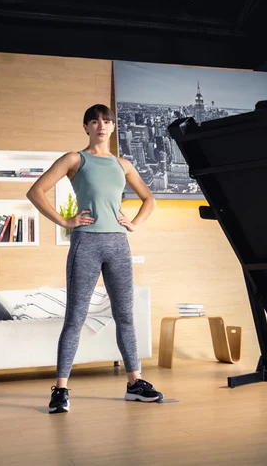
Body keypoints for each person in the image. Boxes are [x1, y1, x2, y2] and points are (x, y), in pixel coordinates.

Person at [26, 103, 161, 414]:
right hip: (86, 244)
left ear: (113, 127)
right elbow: (36, 191)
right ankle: (60, 390)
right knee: (75, 317)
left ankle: (134, 384)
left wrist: (135, 223)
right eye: (95, 121)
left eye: (106, 121)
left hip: (118, 245)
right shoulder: (76, 159)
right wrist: (65, 221)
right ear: (86, 127)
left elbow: (149, 198)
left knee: (125, 316)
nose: (101, 126)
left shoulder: (123, 164)